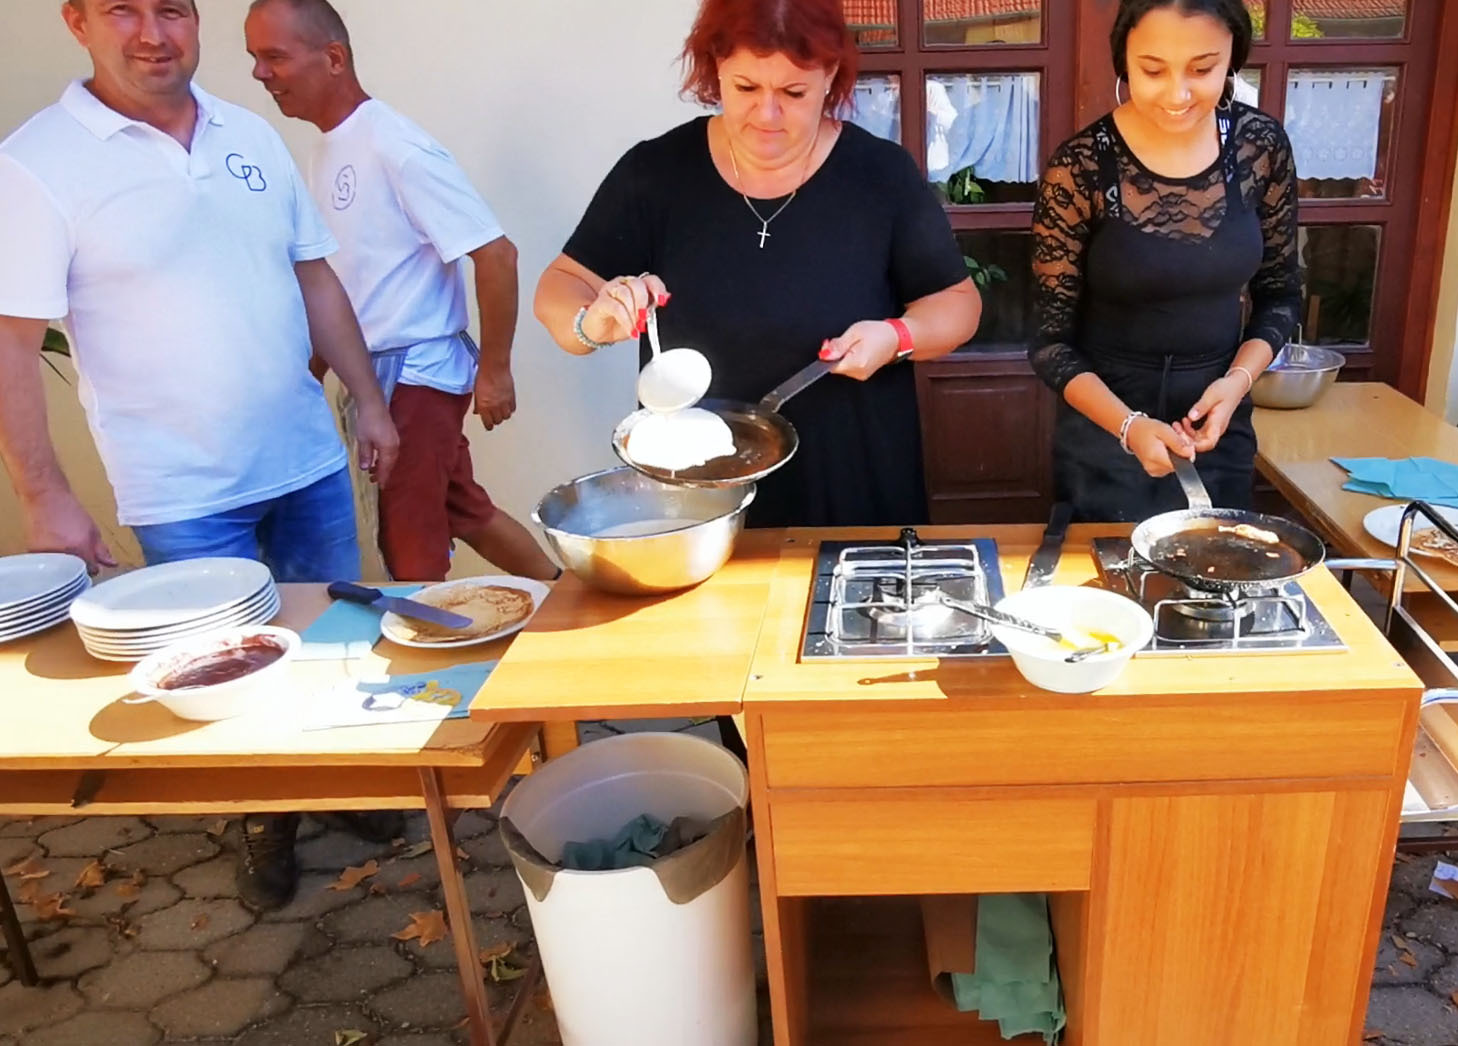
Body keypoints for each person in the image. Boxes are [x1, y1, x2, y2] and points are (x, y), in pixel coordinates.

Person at [0, 0, 401, 911]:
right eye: (123, 9)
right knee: (221, 667)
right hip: (181, 488)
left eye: (172, 9)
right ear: (77, 22)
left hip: (303, 458)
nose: (153, 33)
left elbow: (314, 276)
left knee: (330, 645)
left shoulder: (249, 134)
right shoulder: (34, 165)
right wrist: (43, 494)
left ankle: (334, 781)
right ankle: (264, 818)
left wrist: (370, 403)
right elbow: (11, 342)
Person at [533, 0, 981, 530]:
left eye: (793, 93)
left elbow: (958, 305)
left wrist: (897, 337)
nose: (767, 115)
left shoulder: (880, 175)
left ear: (830, 75)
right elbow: (560, 286)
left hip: (853, 481)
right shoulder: (656, 173)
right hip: (697, 490)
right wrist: (590, 323)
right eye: (746, 88)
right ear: (716, 68)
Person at [244, 0, 557, 583]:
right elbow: (346, 280)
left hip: (417, 377)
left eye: (275, 57)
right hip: (379, 377)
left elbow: (496, 254)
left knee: (409, 538)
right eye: (255, 58)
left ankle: (428, 638)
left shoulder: (395, 146)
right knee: (463, 508)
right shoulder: (325, 148)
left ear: (333, 58)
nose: (261, 73)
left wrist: (495, 371)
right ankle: (561, 594)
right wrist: (310, 373)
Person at [1030, 0, 1300, 522]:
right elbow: (1049, 344)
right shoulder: (1080, 166)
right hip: (1105, 434)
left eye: (1202, 69)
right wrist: (1129, 427)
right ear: (1124, 62)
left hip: (1217, 426)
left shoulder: (1261, 147)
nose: (1178, 94)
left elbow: (1281, 295)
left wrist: (1236, 384)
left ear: (1232, 59)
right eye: (1153, 71)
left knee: (1221, 567)